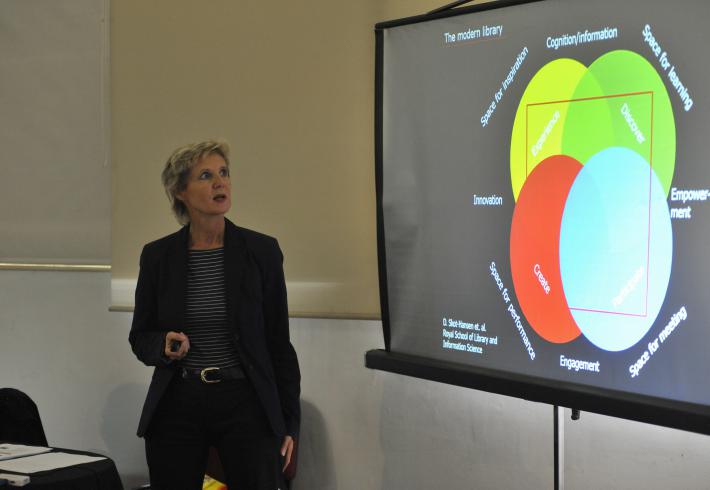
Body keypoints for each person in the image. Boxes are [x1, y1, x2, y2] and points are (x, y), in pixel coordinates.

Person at [129, 140, 300, 490]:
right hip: (179, 400)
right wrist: (163, 345)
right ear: (180, 191)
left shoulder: (261, 251)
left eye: (224, 173)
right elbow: (140, 337)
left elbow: (278, 343)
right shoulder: (158, 256)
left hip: (245, 400)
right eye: (205, 176)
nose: (220, 182)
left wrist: (287, 422)